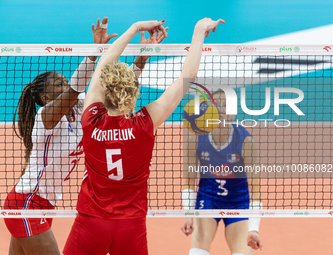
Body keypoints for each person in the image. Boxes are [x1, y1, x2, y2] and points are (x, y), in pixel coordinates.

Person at [63, 17, 225, 255]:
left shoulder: (90, 120)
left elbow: (103, 65)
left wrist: (135, 27)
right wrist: (198, 30)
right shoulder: (145, 124)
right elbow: (187, 76)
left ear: (105, 91)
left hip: (91, 222)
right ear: (134, 94)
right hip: (130, 225)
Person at [3, 17, 118, 255]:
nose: (65, 86)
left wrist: (139, 60)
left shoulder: (80, 110)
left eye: (65, 82)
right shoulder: (46, 118)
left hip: (45, 205)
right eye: (58, 85)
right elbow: (76, 88)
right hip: (27, 203)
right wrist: (92, 54)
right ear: (45, 98)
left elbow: (109, 92)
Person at [181, 89, 263, 255]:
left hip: (238, 202)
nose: (221, 109)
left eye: (226, 105)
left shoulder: (245, 141)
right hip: (208, 199)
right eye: (216, 104)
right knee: (197, 252)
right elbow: (188, 182)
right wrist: (189, 215)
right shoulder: (195, 139)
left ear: (233, 113)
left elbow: (255, 190)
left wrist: (254, 229)